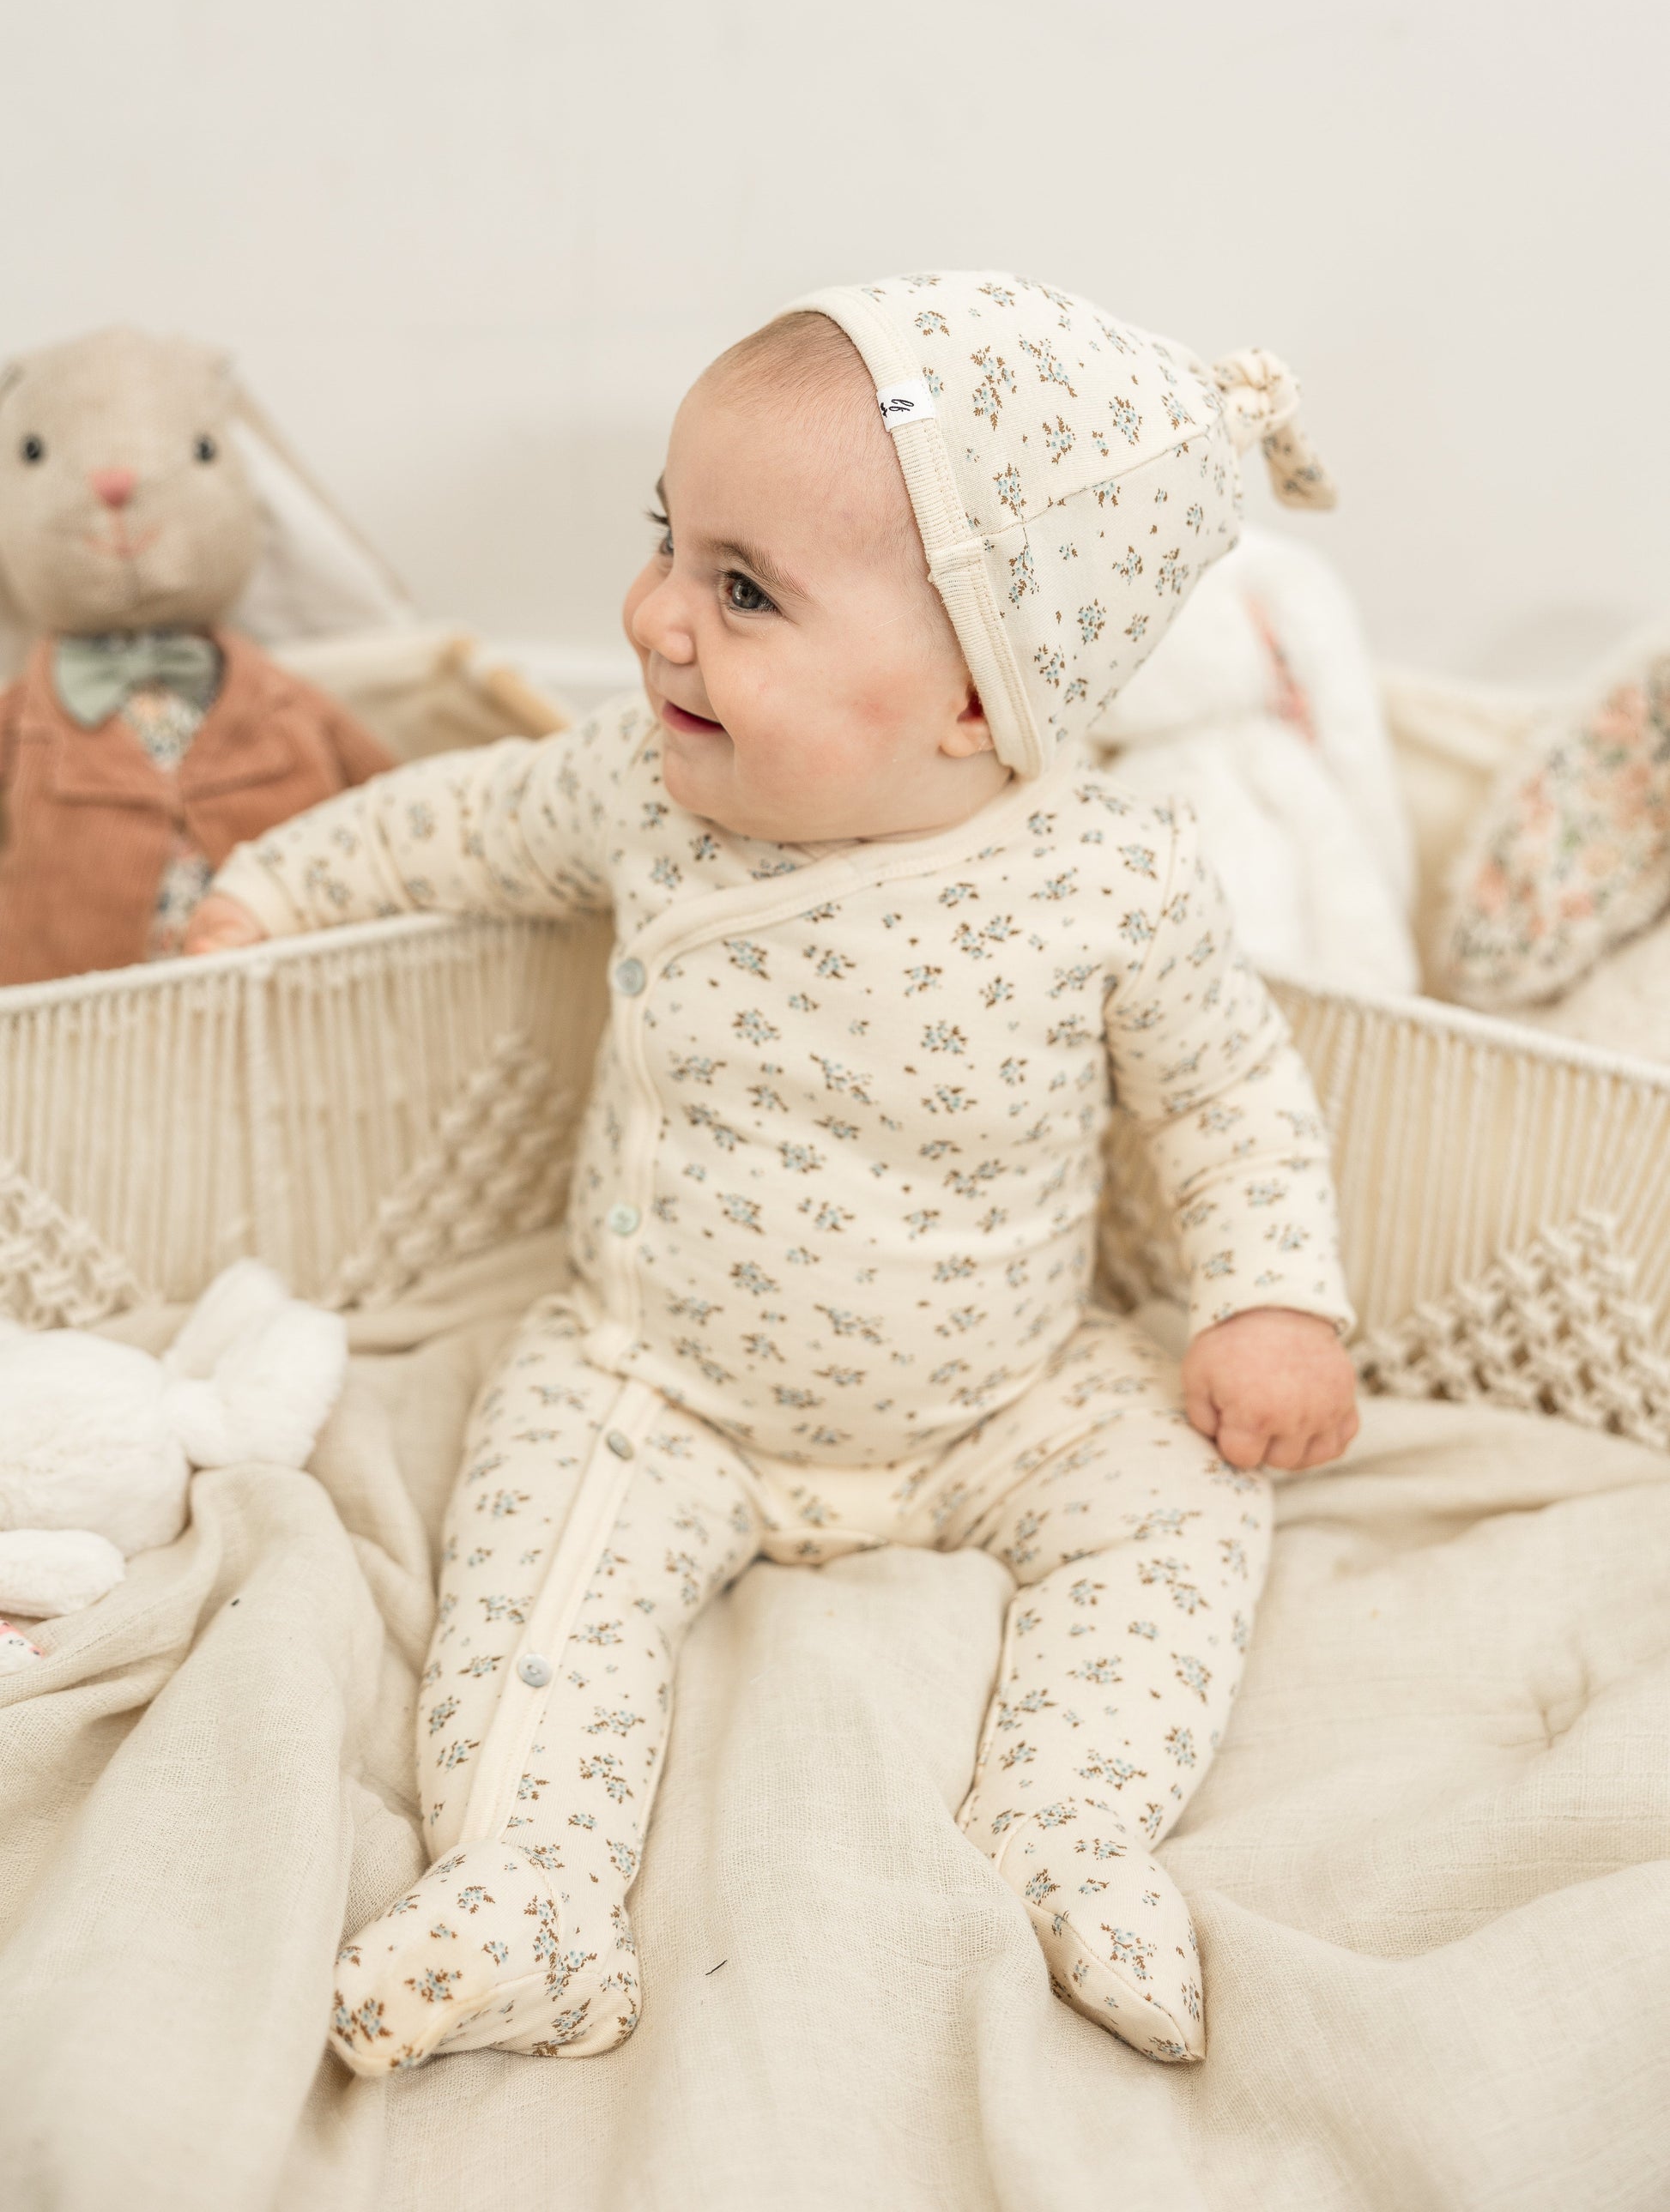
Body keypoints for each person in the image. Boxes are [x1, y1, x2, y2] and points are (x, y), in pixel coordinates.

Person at [188, 274, 1358, 2074]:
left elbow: (1225, 1096)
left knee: (1184, 1502)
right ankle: (531, 1892)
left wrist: (1270, 1299)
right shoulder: (644, 793)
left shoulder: (1108, 880)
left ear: (976, 692)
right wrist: (274, 884)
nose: (656, 614)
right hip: (662, 1378)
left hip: (1004, 1394)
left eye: (743, 589)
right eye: (668, 538)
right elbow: (458, 819)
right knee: (535, 1558)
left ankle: (1068, 1832)